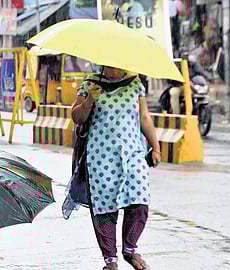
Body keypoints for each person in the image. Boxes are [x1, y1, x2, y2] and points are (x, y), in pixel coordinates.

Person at [71, 66, 161, 270]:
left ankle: (130, 249)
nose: (113, 69)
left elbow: (144, 117)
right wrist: (89, 100)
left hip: (133, 153)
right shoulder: (90, 83)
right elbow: (77, 118)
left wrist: (155, 146)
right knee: (105, 208)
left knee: (139, 200)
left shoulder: (135, 82)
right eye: (108, 65)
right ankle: (110, 260)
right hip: (100, 157)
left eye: (117, 65)